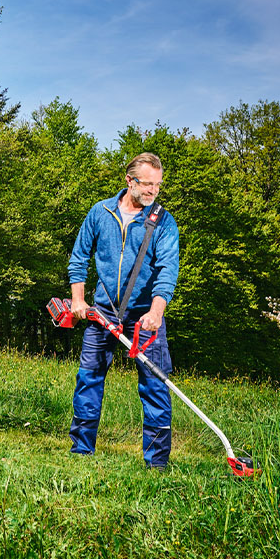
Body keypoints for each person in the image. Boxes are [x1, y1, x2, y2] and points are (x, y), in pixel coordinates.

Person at [66, 152, 179, 467]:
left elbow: (168, 271)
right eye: (147, 184)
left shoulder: (163, 222)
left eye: (158, 185)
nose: (153, 191)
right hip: (102, 312)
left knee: (155, 386)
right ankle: (81, 452)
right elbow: (79, 257)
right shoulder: (100, 212)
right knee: (89, 378)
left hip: (146, 318)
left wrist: (156, 312)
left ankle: (156, 464)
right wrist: (78, 300)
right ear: (129, 181)